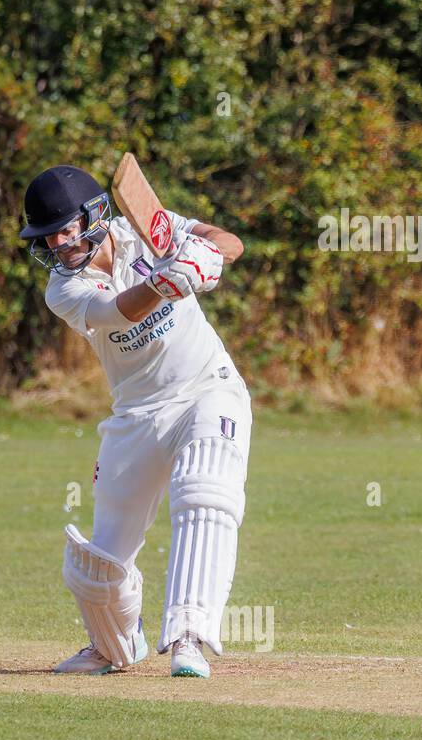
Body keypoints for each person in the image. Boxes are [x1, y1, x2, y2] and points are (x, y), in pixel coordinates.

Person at [18, 164, 250, 677]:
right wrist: (171, 280)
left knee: (204, 494)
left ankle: (189, 636)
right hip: (137, 414)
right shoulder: (63, 289)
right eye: (48, 237)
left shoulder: (144, 227)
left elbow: (228, 241)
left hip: (207, 387)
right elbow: (122, 310)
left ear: (96, 216)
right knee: (99, 564)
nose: (58, 244)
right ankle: (116, 647)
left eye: (66, 230)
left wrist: (208, 253)